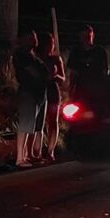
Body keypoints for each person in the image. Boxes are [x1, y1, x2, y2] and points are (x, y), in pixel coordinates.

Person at [12, 31, 49, 167]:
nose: (34, 39)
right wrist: (46, 75)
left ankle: (29, 154)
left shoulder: (33, 55)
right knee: (26, 124)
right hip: (29, 92)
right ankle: (20, 158)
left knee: (35, 125)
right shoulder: (21, 54)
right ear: (23, 40)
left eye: (35, 36)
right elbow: (36, 73)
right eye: (31, 37)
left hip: (39, 93)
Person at [39, 32, 67, 161]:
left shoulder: (56, 59)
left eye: (52, 44)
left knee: (53, 121)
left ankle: (50, 150)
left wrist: (56, 77)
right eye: (49, 44)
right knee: (39, 121)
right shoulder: (37, 58)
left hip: (53, 91)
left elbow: (63, 78)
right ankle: (38, 149)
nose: (51, 46)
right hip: (40, 90)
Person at [66, 25, 109, 97]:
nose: (86, 38)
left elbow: (105, 70)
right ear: (80, 37)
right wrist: (71, 90)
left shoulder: (100, 51)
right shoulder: (75, 52)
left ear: (92, 36)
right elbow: (73, 73)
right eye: (83, 36)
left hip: (97, 88)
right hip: (81, 89)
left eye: (88, 36)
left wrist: (105, 87)